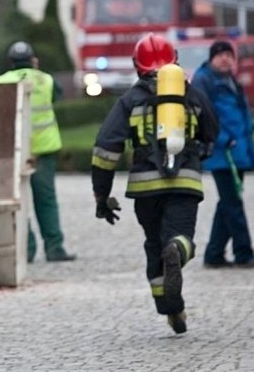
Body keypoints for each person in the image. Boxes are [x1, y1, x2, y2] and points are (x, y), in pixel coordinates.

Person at [91, 33, 217, 334]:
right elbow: (211, 131)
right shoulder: (192, 94)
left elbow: (106, 148)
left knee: (153, 245)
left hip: (145, 188)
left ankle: (172, 310)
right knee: (180, 237)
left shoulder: (130, 100)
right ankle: (178, 249)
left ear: (137, 66)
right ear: (174, 59)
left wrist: (102, 196)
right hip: (184, 181)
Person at [0, 41, 75, 262]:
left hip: (14, 151)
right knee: (46, 200)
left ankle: (26, 250)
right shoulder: (46, 79)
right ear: (33, 59)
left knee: (19, 201)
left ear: (10, 62)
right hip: (42, 150)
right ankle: (54, 247)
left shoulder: (1, 82)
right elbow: (57, 96)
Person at [190, 39, 254, 268]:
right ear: (212, 58)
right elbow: (204, 116)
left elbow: (242, 115)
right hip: (222, 153)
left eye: (229, 55)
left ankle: (214, 254)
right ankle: (244, 252)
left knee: (227, 203)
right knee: (233, 203)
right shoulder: (203, 80)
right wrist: (224, 139)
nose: (226, 59)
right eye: (221, 55)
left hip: (239, 152)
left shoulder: (232, 82)